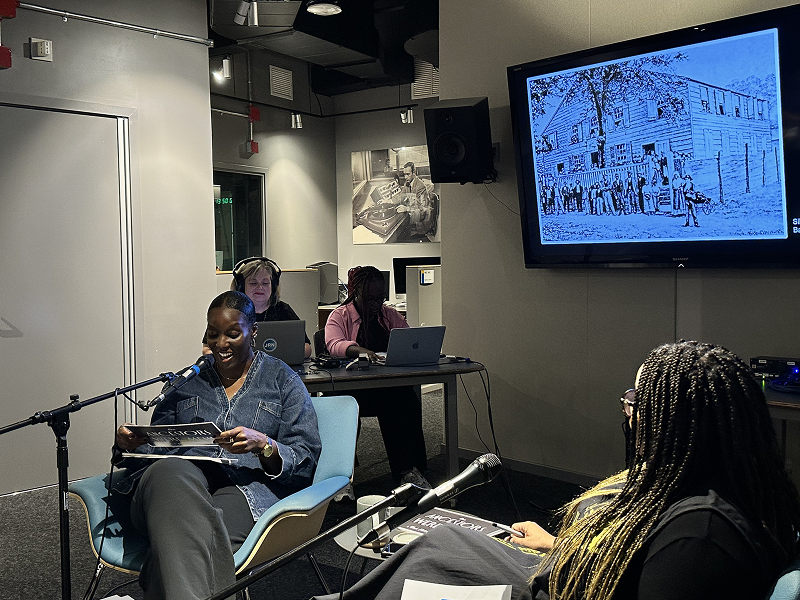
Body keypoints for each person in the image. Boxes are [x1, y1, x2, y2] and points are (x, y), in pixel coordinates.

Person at [320, 341, 800, 600]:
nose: (628, 412)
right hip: (560, 569)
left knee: (428, 565)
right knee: (442, 541)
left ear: (675, 421)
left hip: (555, 589)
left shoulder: (701, 536)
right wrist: (558, 545)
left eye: (637, 400)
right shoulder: (687, 483)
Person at [113, 291, 322, 600]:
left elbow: (304, 456)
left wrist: (263, 444)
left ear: (254, 332)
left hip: (244, 490)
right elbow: (152, 448)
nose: (221, 344)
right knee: (170, 472)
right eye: (213, 334)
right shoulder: (186, 381)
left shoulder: (282, 380)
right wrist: (129, 443)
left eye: (232, 334)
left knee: (185, 536)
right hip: (173, 484)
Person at [324, 265, 430, 488]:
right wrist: (359, 350)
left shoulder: (388, 315)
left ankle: (408, 471)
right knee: (343, 408)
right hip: (351, 388)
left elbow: (409, 338)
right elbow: (333, 344)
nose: (375, 305)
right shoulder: (339, 316)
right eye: (370, 299)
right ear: (356, 293)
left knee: (404, 400)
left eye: (380, 298)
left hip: (384, 386)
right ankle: (339, 479)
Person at [230, 256, 312, 359]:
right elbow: (208, 349)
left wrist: (285, 354)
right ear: (241, 286)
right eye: (253, 283)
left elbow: (306, 348)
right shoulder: (231, 312)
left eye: (265, 283)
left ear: (272, 286)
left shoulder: (283, 310)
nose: (260, 287)